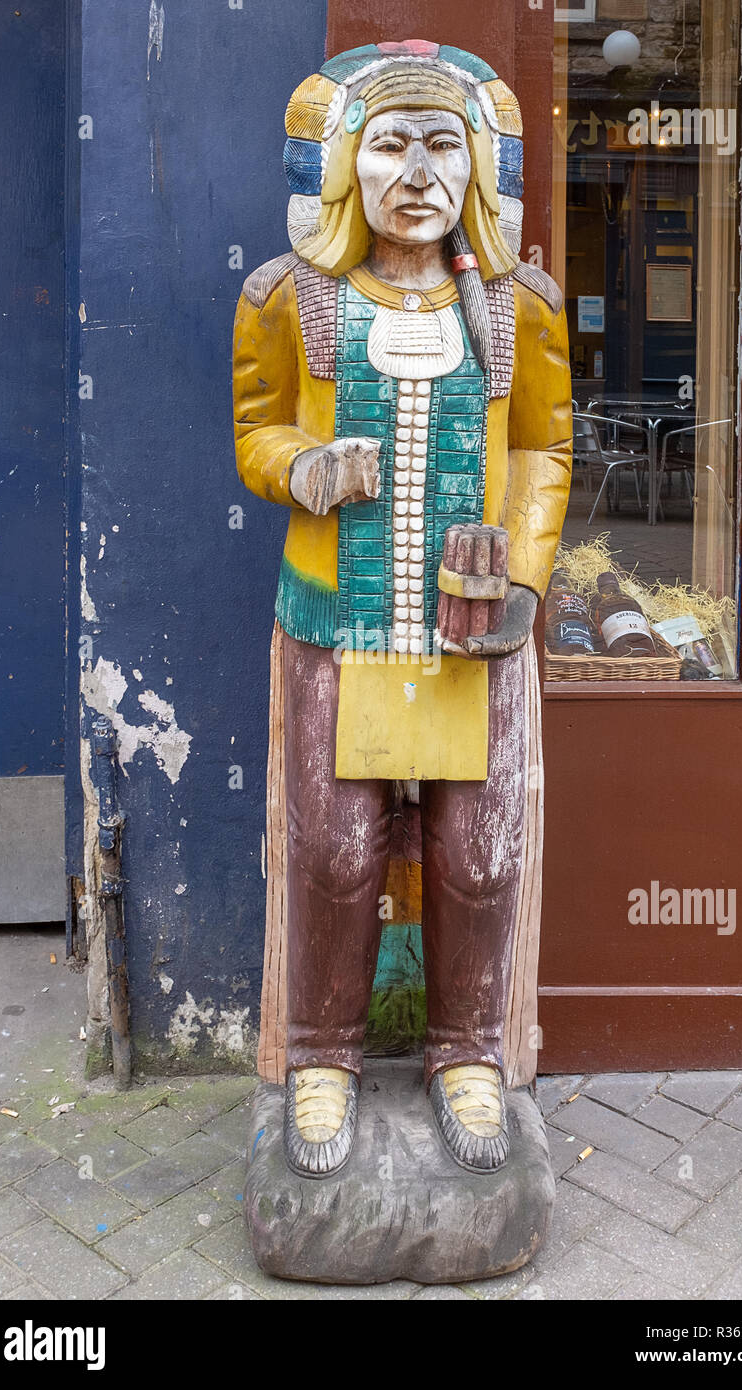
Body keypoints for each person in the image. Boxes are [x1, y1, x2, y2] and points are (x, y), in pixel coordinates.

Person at [233, 40, 572, 1177]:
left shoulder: (518, 308)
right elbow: (254, 432)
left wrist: (523, 578)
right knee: (333, 848)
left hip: (473, 629)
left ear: (478, 167)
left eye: (442, 145)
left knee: (476, 854)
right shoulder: (290, 300)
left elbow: (540, 446)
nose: (417, 172)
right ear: (342, 168)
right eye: (389, 144)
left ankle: (468, 1049)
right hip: (336, 621)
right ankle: (322, 1056)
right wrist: (305, 466)